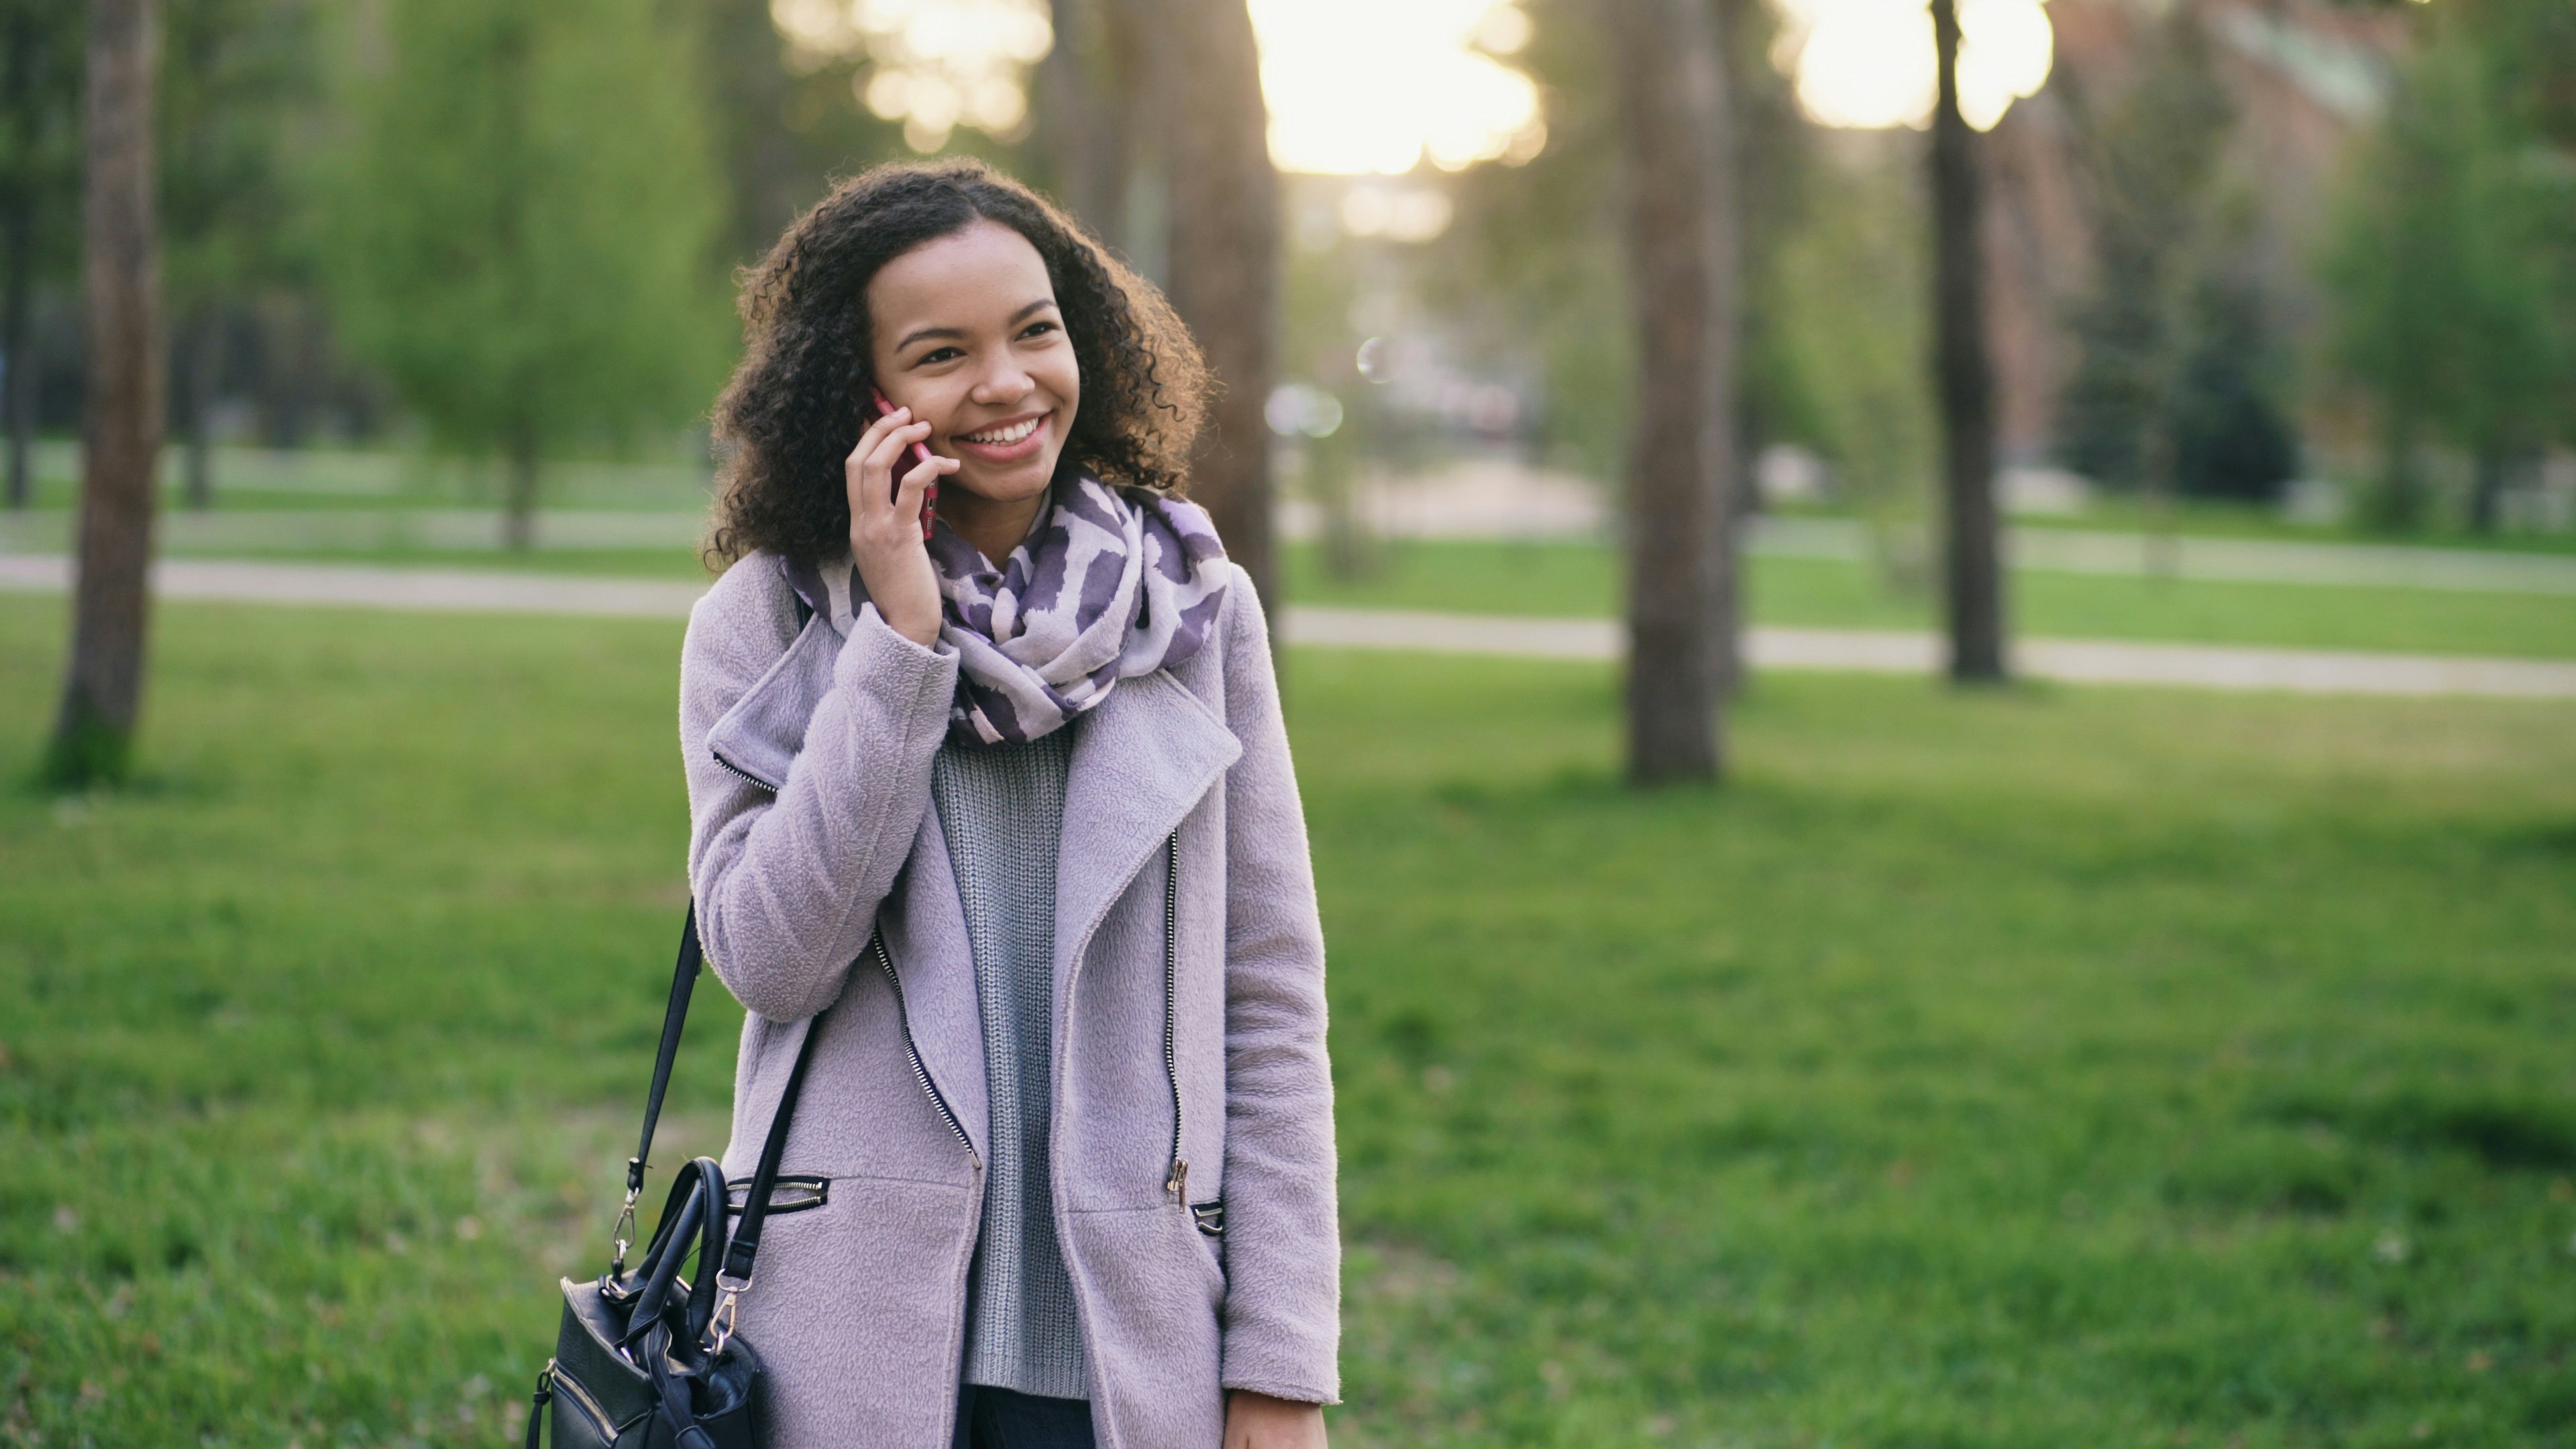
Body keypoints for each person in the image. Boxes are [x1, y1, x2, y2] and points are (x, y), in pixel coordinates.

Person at [678, 158, 1338, 1449]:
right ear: (861, 396)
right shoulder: (763, 621)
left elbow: (1268, 1000)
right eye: (943, 353)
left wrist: (1279, 1362)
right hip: (855, 1348)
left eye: (1035, 331)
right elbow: (772, 960)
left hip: (1134, 1346)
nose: (1006, 382)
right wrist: (898, 649)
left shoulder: (1194, 611)